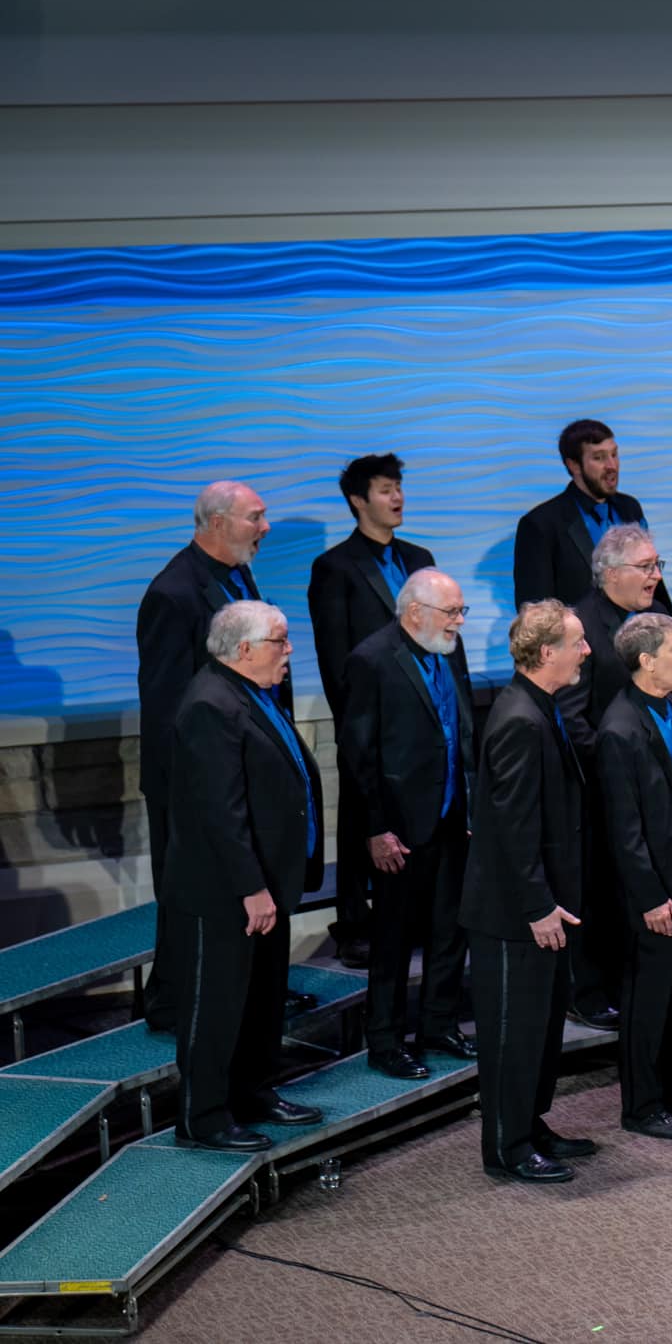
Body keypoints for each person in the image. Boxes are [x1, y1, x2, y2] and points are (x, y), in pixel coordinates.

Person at [137, 481, 309, 1030]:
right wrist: (197, 792)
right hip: (195, 783)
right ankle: (173, 1002)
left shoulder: (236, 574)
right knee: (193, 900)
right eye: (255, 517)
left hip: (241, 772)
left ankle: (251, 991)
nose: (265, 528)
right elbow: (166, 705)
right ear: (216, 522)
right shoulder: (174, 593)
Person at [164, 601, 324, 1151]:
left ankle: (253, 1092)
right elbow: (220, 812)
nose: (290, 652)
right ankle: (203, 1118)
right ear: (244, 649)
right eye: (280, 642)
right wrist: (251, 887)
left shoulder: (251, 692)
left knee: (261, 998)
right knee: (218, 1004)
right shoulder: (210, 704)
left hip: (267, 885)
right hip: (228, 891)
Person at [458, 600, 596, 1183]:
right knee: (513, 1036)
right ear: (547, 653)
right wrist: (539, 905)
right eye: (577, 641)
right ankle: (507, 1146)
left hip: (544, 907)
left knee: (540, 1033)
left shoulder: (542, 706)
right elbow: (513, 829)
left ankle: (530, 1126)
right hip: (515, 914)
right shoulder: (519, 718)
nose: (587, 650)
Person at [557, 524, 672, 1030]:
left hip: (661, 775)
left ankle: (634, 983)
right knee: (600, 886)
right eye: (646, 567)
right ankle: (591, 991)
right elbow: (571, 715)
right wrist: (615, 765)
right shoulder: (580, 625)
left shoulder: (658, 617)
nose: (656, 576)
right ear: (611, 573)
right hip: (604, 781)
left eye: (658, 565)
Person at [337, 569, 477, 1081]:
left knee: (449, 930)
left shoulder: (448, 649)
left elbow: (462, 734)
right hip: (398, 826)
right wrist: (375, 829)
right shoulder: (371, 660)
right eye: (452, 612)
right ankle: (386, 1040)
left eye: (462, 612)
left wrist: (472, 805)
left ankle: (438, 1025)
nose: (459, 622)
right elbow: (357, 755)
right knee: (393, 941)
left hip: (449, 816)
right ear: (414, 612)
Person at [310, 453, 435, 967]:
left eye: (399, 487)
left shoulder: (419, 557)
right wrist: (355, 722)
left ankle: (419, 914)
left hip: (421, 717)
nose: (397, 497)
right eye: (386, 489)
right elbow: (334, 656)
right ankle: (356, 923)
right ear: (359, 501)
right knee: (365, 814)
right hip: (368, 718)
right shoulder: (335, 567)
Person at [598, 612, 672, 1138]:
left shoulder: (669, 708)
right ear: (647, 662)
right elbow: (624, 831)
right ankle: (643, 1105)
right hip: (655, 891)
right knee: (650, 1002)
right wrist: (649, 897)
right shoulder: (619, 729)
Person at [513, 418, 672, 612]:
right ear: (573, 465)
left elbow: (651, 577)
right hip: (583, 639)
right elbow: (536, 611)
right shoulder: (541, 525)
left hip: (639, 636)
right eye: (599, 458)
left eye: (614, 455)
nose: (611, 465)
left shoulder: (630, 508)